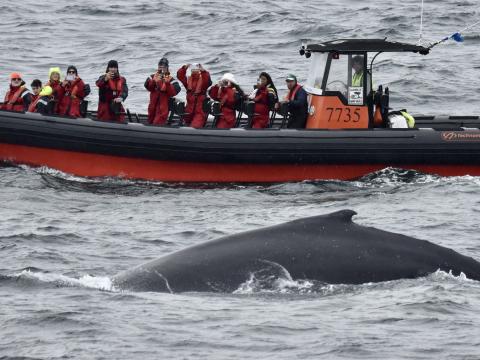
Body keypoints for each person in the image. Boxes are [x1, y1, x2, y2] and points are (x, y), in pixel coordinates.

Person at [145, 58, 181, 126]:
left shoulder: (171, 80)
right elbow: (148, 87)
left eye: (163, 67)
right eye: (160, 67)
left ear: (167, 68)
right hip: (152, 108)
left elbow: (173, 92)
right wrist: (154, 81)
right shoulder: (152, 77)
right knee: (150, 121)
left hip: (162, 109)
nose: (161, 69)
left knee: (157, 123)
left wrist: (167, 83)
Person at [177, 63, 211, 128]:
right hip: (188, 111)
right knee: (185, 124)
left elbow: (207, 80)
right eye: (193, 69)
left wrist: (203, 71)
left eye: (196, 69)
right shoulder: (188, 80)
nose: (194, 70)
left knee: (194, 127)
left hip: (200, 112)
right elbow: (180, 76)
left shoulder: (203, 81)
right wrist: (184, 67)